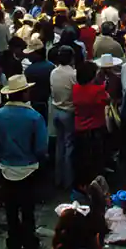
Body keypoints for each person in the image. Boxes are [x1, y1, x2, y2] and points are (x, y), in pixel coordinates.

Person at [0, 75, 48, 249]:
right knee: (28, 210)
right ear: (25, 93)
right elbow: (41, 148)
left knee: (10, 210)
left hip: (5, 169)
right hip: (29, 169)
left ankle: (13, 241)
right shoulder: (34, 117)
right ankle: (29, 242)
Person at [72, 62, 110, 185]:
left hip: (79, 130)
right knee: (96, 162)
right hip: (95, 130)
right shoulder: (98, 90)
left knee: (82, 161)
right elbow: (108, 99)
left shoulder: (76, 88)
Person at [50, 45, 77, 189]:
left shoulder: (53, 72)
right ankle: (68, 180)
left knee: (59, 146)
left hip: (56, 110)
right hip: (68, 111)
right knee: (68, 147)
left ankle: (58, 178)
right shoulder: (73, 74)